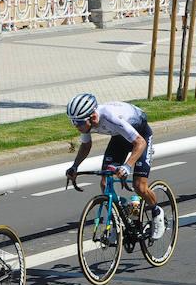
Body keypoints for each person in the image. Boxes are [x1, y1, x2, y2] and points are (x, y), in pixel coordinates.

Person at [64, 94, 165, 240]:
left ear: (92, 117)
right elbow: (86, 145)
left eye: (78, 122)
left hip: (141, 137)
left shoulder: (110, 117)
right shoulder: (86, 124)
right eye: (72, 121)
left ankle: (157, 212)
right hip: (120, 138)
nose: (76, 126)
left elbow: (140, 142)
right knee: (105, 183)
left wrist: (127, 166)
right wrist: (75, 166)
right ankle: (118, 218)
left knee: (139, 187)